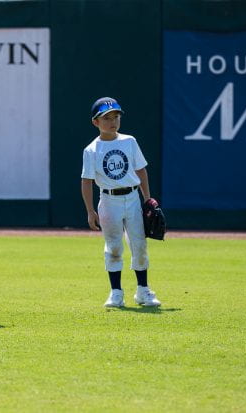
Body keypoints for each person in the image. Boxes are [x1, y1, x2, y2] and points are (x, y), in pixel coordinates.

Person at [81, 97, 162, 307]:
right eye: (106, 118)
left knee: (139, 244)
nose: (113, 121)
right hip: (109, 200)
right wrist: (90, 211)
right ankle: (116, 292)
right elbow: (86, 181)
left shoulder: (129, 141)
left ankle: (143, 290)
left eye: (116, 116)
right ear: (95, 122)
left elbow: (141, 170)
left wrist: (147, 198)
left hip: (133, 198)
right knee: (114, 246)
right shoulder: (91, 150)